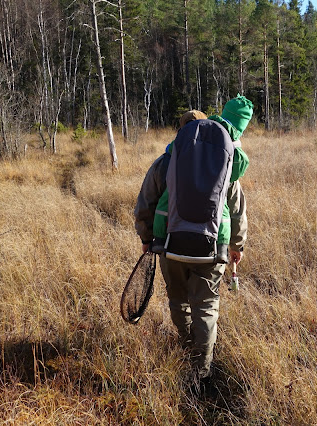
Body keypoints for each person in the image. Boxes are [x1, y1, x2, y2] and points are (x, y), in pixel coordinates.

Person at [134, 96, 253, 379]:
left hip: (170, 245)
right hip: (212, 247)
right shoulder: (224, 166)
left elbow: (145, 204)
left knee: (178, 300)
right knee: (207, 306)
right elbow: (237, 212)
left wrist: (147, 237)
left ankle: (186, 346)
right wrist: (237, 246)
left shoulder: (166, 162)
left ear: (181, 133)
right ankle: (202, 368)